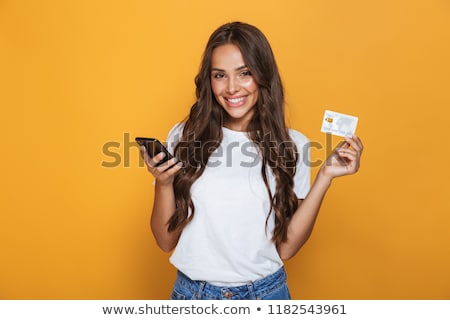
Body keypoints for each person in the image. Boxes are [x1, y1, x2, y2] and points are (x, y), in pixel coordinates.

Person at [140, 21, 363, 300]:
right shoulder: (183, 137)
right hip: (192, 295)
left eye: (244, 73)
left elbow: (286, 248)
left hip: (266, 295)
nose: (232, 88)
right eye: (220, 75)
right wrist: (163, 184)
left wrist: (325, 177)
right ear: (209, 81)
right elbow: (164, 241)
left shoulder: (294, 146)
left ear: (262, 75)